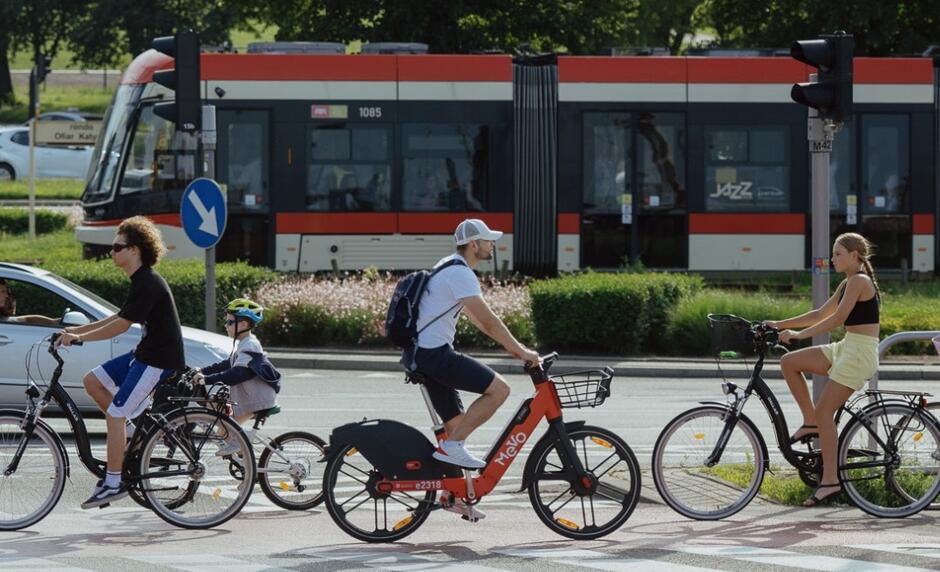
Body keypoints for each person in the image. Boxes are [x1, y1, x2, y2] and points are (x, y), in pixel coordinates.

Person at [56, 216, 185, 509]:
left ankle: (114, 482)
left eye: (117, 247)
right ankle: (128, 431)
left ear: (135, 250)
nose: (112, 252)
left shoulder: (149, 282)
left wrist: (80, 340)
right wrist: (76, 331)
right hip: (145, 354)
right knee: (93, 381)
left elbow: (121, 326)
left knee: (114, 413)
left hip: (159, 360)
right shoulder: (140, 281)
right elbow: (117, 317)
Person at [765, 233, 880, 507]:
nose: (833, 259)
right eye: (832, 254)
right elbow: (820, 314)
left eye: (838, 254)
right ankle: (810, 422)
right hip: (847, 347)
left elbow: (837, 319)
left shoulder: (860, 281)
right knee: (789, 363)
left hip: (859, 352)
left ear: (855, 256)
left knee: (825, 410)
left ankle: (830, 481)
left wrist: (798, 336)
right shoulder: (846, 283)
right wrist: (780, 325)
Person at [193, 298, 281, 456]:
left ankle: (245, 456)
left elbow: (237, 374)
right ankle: (245, 461)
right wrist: (202, 371)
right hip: (251, 397)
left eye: (230, 322)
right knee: (222, 429)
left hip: (257, 400)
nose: (226, 326)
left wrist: (206, 380)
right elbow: (227, 364)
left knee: (227, 431)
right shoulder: (244, 343)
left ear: (244, 325)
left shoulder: (250, 345)